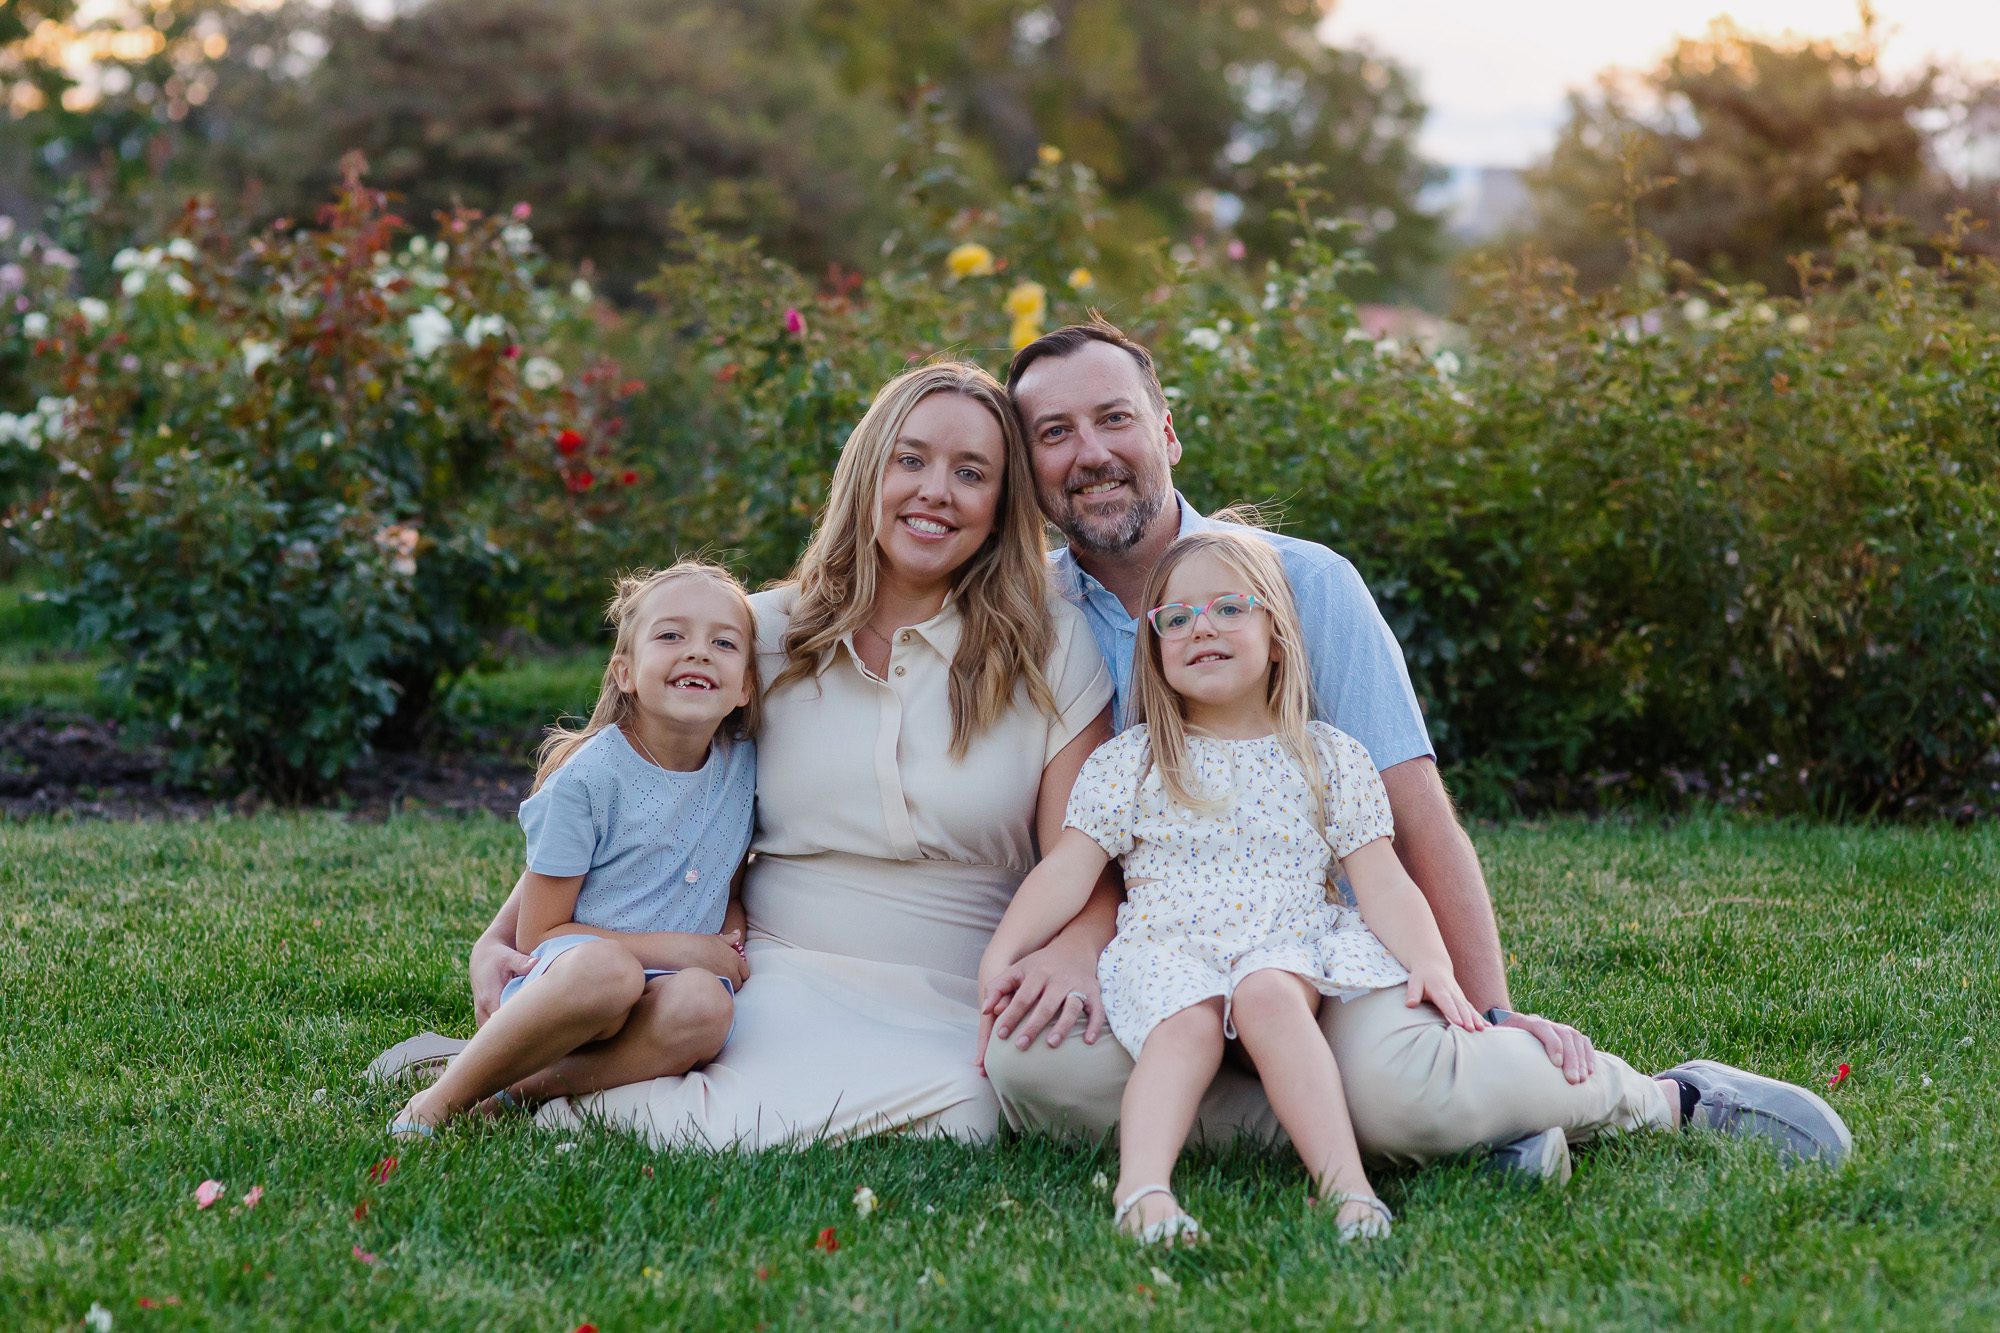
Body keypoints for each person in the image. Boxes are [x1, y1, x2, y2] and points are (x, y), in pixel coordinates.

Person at [981, 318, 1852, 1173]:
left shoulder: (1306, 585)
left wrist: (1490, 1016)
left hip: (1315, 952)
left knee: (1403, 1082)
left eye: (1114, 417)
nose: (1089, 451)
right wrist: (1060, 946)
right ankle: (1461, 1131)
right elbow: (1073, 844)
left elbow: (1414, 820)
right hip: (1161, 961)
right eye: (1054, 433)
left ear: (1165, 432)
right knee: (1034, 1072)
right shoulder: (1031, 622)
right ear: (1032, 471)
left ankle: (1659, 1097)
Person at [381, 361, 1114, 1147]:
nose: (936, 490)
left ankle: (509, 1079)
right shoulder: (757, 633)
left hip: (959, 983)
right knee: (703, 1110)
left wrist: (1074, 951)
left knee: (970, 1114)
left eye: (972, 473)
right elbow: (615, 774)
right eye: (910, 460)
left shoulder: (1050, 642)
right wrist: (501, 937)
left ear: (1002, 504)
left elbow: (1086, 850)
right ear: (867, 473)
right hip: (781, 969)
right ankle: (503, 1075)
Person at [984, 530, 1492, 1243]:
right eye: (1178, 618)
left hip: (1284, 943)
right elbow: (1067, 868)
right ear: (1154, 648)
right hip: (1169, 947)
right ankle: (1144, 1191)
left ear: (1278, 636)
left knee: (1269, 995)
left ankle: (1348, 1189)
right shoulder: (1133, 761)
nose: (1204, 629)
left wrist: (1433, 961)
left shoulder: (1327, 757)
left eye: (1229, 607)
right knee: (1185, 1022)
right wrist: (1000, 954)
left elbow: (1383, 881)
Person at [387, 561, 759, 1138]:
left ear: (745, 687)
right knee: (610, 975)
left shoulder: (742, 770)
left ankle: (515, 1090)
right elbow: (540, 935)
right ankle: (437, 1101)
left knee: (707, 1011)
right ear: (625, 673)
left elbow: (725, 882)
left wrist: (727, 937)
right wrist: (685, 948)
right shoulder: (587, 781)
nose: (698, 652)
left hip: (665, 991)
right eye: (670, 635)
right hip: (572, 981)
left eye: (724, 642)